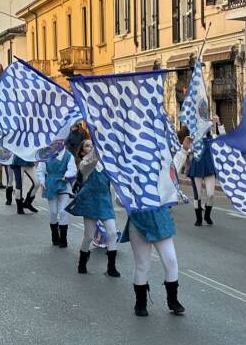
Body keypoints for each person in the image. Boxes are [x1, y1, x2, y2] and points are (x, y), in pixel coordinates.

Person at [121, 139, 190, 317]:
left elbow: (173, 166)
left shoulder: (162, 167)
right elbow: (120, 200)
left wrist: (184, 149)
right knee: (142, 264)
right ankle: (140, 303)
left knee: (171, 260)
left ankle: (173, 301)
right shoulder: (130, 171)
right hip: (139, 220)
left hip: (161, 219)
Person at [66, 139, 120, 278]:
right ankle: (82, 262)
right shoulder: (85, 164)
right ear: (83, 151)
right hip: (90, 200)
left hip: (104, 201)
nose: (91, 147)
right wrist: (99, 141)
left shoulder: (106, 163)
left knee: (112, 233)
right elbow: (93, 160)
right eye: (88, 146)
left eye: (92, 145)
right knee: (89, 236)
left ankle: (111, 267)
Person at [187, 116, 226, 227]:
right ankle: (198, 218)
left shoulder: (212, 137)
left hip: (209, 168)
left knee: (211, 195)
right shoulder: (194, 138)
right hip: (197, 167)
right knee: (197, 195)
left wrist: (218, 123)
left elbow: (223, 138)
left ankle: (207, 215)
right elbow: (188, 149)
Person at [36, 148, 77, 247]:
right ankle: (54, 234)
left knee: (63, 211)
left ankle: (63, 238)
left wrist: (67, 175)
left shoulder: (68, 155)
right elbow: (40, 170)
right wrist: (42, 181)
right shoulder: (46, 154)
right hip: (50, 184)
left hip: (64, 184)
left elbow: (73, 169)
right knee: (53, 211)